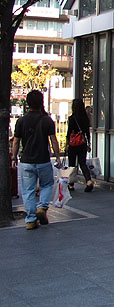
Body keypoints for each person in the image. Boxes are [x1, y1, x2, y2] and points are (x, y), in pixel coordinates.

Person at [10, 89, 62, 230]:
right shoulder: (47, 120)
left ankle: (31, 220)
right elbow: (54, 141)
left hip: (26, 160)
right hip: (43, 160)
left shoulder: (21, 121)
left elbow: (16, 141)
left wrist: (14, 157)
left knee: (28, 191)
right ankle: (42, 207)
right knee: (47, 184)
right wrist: (58, 157)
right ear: (41, 103)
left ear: (28, 103)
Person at [64, 98, 94, 193]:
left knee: (72, 165)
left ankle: (71, 184)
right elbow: (87, 132)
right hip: (82, 143)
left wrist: (67, 143)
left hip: (73, 144)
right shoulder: (85, 118)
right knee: (82, 163)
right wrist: (88, 143)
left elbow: (69, 133)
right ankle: (88, 181)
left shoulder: (72, 118)